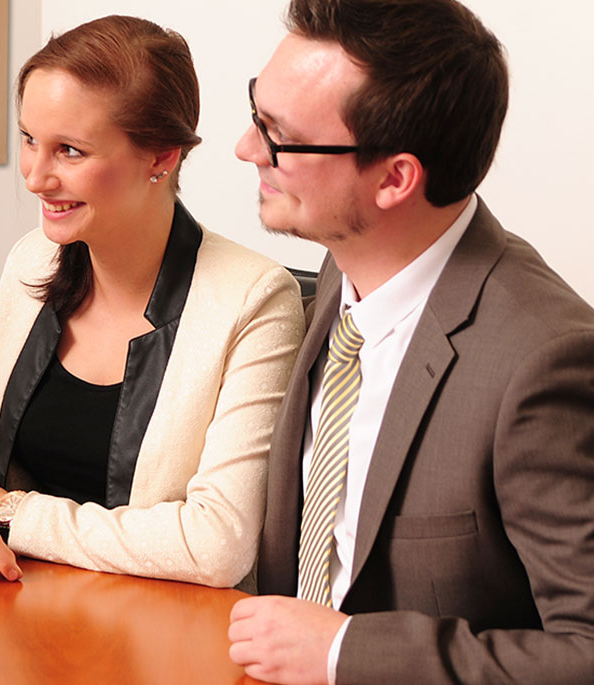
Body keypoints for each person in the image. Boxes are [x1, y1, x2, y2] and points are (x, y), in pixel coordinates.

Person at [226, 0, 594, 682]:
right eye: (256, 112)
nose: (248, 149)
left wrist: (343, 653)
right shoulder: (346, 258)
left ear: (396, 178)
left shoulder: (543, 361)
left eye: (279, 135)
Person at [0, 16, 304, 588]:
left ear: (162, 157)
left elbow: (218, 544)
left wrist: (8, 512)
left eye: (71, 151)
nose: (35, 176)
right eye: (30, 139)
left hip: (156, 646)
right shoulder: (30, 262)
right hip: (8, 620)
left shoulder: (255, 300)